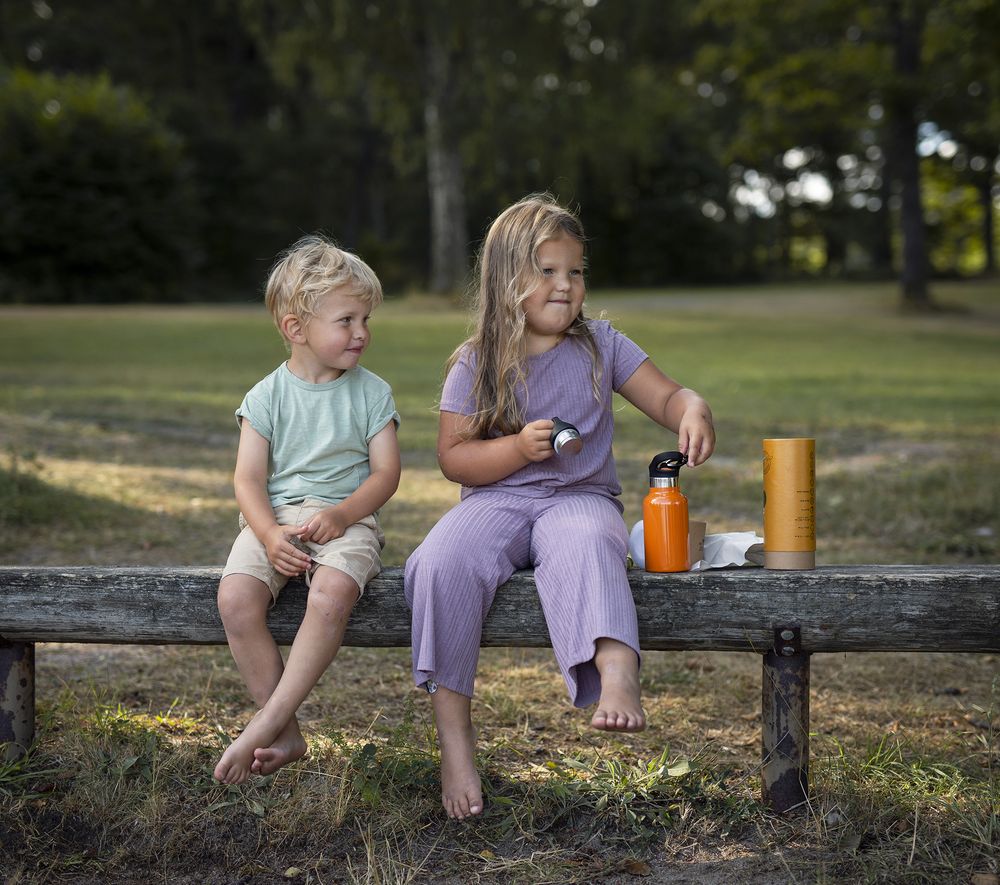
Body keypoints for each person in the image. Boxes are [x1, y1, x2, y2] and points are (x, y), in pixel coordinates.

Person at [404, 194, 715, 820]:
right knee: (438, 563)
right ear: (505, 279)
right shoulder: (477, 360)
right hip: (496, 499)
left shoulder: (603, 345)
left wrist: (692, 407)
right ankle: (455, 738)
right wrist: (517, 448)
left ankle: (618, 670)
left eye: (575, 272)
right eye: (546, 271)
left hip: (578, 497)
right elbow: (454, 458)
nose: (565, 285)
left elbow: (667, 397)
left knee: (588, 544)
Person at [214, 235, 401, 785]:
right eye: (346, 320)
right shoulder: (266, 396)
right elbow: (247, 479)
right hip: (275, 520)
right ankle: (288, 731)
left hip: (348, 519)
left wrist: (343, 516)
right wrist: (268, 533)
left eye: (366, 318)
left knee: (332, 593)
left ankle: (264, 721)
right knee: (235, 600)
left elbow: (386, 474)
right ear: (297, 329)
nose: (362, 332)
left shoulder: (372, 393)